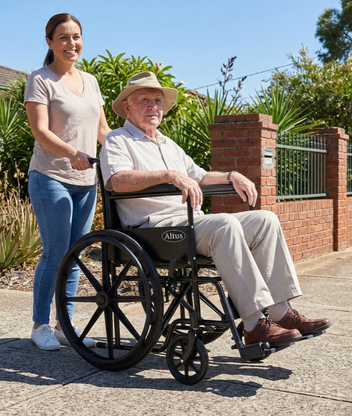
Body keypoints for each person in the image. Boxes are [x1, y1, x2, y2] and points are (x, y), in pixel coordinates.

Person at [100, 71, 331, 348]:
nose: (153, 106)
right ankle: (254, 324)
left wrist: (232, 175)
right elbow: (117, 180)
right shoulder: (118, 140)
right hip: (152, 230)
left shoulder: (167, 143)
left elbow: (199, 175)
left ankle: (280, 311)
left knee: (265, 220)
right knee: (225, 224)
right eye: (145, 100)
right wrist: (168, 175)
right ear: (127, 107)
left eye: (158, 101)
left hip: (189, 223)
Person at [24, 13, 110, 351]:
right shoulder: (41, 80)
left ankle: (65, 324)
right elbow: (40, 131)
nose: (71, 43)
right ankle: (40, 325)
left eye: (76, 36)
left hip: (86, 181)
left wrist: (126, 149)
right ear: (49, 42)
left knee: (75, 255)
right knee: (55, 253)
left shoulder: (90, 81)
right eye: (63, 37)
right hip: (50, 177)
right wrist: (73, 151)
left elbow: (102, 131)